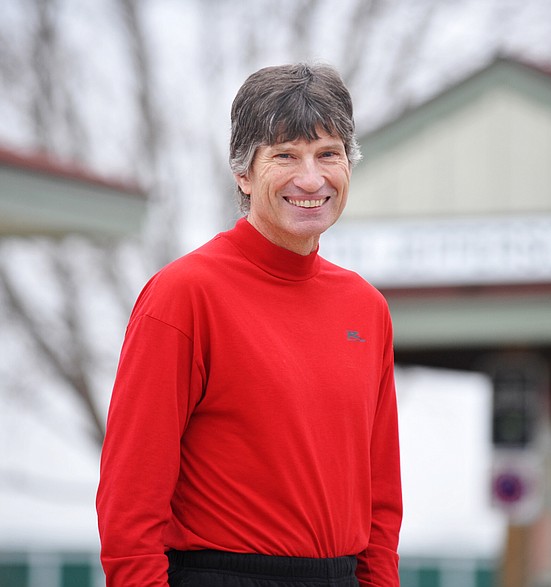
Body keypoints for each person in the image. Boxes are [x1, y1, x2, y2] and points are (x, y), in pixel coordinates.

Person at [96, 62, 402, 587]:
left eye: (328, 154)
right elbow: (128, 506)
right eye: (285, 156)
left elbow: (381, 501)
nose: (312, 179)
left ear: (349, 164)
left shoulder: (366, 307)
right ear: (242, 172)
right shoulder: (183, 296)